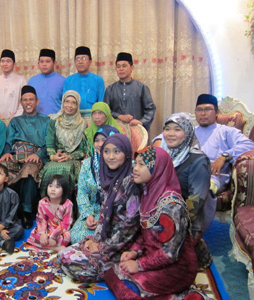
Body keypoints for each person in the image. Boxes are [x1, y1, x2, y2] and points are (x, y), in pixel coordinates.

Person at [104, 146, 198, 299]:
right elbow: (145, 232)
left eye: (142, 164)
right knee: (110, 270)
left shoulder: (171, 205)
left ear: (157, 169)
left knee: (128, 287)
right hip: (152, 257)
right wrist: (135, 251)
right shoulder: (148, 192)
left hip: (177, 267)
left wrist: (139, 265)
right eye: (136, 163)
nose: (135, 168)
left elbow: (170, 253)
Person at [58, 134, 140, 282]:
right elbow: (103, 214)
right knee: (64, 254)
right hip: (106, 237)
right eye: (106, 152)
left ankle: (117, 269)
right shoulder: (109, 178)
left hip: (123, 245)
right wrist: (95, 240)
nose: (110, 157)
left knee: (72, 263)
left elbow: (129, 227)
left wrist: (102, 248)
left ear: (127, 153)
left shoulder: (132, 184)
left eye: (116, 151)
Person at [160, 112, 215, 269]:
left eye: (177, 129)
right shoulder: (165, 155)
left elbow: (196, 202)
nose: (170, 134)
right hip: (163, 214)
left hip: (186, 221)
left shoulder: (198, 160)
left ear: (188, 132)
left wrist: (170, 224)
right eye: (167, 129)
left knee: (163, 265)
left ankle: (195, 249)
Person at [0, 85, 50, 229]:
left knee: (29, 171)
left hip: (34, 156)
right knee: (0, 169)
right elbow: (8, 141)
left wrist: (38, 155)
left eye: (31, 100)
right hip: (15, 156)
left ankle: (26, 212)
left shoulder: (46, 120)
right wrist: (7, 152)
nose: (28, 103)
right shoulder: (15, 121)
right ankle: (6, 211)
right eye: (25, 100)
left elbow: (49, 144)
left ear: (37, 101)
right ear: (21, 103)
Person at [193, 94, 254, 194]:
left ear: (217, 112)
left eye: (207, 109)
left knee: (200, 189)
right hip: (188, 175)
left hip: (213, 177)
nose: (203, 113)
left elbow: (249, 145)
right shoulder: (189, 132)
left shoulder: (226, 131)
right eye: (199, 110)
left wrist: (224, 156)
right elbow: (163, 138)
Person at [70, 125, 120, 244]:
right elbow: (82, 192)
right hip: (93, 211)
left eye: (104, 140)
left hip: (114, 215)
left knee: (109, 239)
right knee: (76, 237)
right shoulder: (88, 164)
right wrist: (88, 215)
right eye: (97, 140)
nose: (100, 144)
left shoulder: (122, 165)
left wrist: (104, 219)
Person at [39, 90, 88, 199]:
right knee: (50, 170)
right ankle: (47, 207)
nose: (69, 105)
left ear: (77, 106)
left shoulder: (82, 123)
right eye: (67, 101)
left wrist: (70, 156)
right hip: (56, 157)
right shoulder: (54, 120)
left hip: (72, 159)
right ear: (62, 103)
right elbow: (50, 143)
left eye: (73, 102)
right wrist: (53, 157)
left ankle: (66, 207)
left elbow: (83, 150)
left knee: (66, 170)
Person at [103, 52, 156, 130]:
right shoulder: (110, 89)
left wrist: (141, 121)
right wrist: (119, 116)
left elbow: (150, 109)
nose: (121, 69)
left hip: (136, 129)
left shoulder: (141, 87)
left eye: (124, 66)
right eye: (118, 66)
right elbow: (105, 110)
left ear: (132, 67)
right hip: (116, 130)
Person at [27, 175, 73, 251]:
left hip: (61, 231)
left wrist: (54, 236)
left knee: (67, 237)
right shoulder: (42, 202)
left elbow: (66, 224)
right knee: (33, 234)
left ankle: (46, 246)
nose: (52, 189)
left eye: (57, 187)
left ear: (64, 190)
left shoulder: (68, 204)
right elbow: (41, 220)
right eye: (50, 186)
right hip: (47, 228)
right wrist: (43, 233)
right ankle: (54, 248)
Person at [0, 49, 27, 120]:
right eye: (2, 61)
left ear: (14, 64)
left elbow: (23, 103)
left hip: (16, 121)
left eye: (8, 61)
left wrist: (13, 120)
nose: (5, 64)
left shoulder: (21, 80)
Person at [28, 48, 65, 115]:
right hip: (37, 121)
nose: (44, 64)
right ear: (38, 64)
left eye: (47, 61)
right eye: (42, 62)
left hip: (57, 121)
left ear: (54, 63)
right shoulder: (32, 81)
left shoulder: (63, 81)